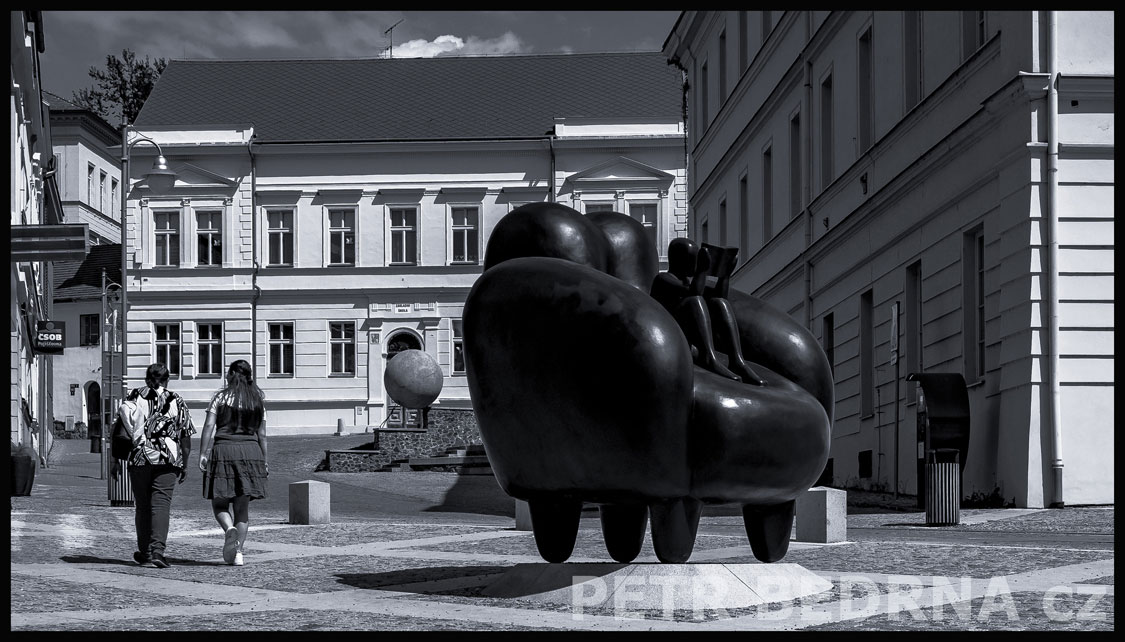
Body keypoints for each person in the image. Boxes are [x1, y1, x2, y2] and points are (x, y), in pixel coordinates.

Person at [651, 238, 765, 385]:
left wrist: (725, 275)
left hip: (691, 340)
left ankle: (737, 360)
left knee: (719, 303)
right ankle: (708, 357)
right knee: (694, 301)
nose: (695, 263)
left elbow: (719, 296)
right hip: (674, 338)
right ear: (680, 260)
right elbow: (693, 293)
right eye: (692, 259)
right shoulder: (663, 279)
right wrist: (702, 271)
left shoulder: (687, 281)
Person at [115, 362, 195, 568]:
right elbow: (185, 436)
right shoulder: (175, 399)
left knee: (142, 507)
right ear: (167, 379)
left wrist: (115, 460)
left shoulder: (133, 397)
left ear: (146, 378)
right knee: (161, 505)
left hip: (139, 458)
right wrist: (185, 464)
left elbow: (119, 429)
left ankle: (145, 552)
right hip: (168, 459)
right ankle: (158, 551)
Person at [199, 359, 268, 566]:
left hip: (224, 449)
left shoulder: (220, 397)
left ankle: (229, 528)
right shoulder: (257, 400)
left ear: (229, 375)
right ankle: (238, 553)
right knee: (242, 508)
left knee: (219, 502)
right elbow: (262, 435)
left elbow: (209, 425)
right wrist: (264, 460)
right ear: (249, 377)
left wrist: (203, 452)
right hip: (251, 451)